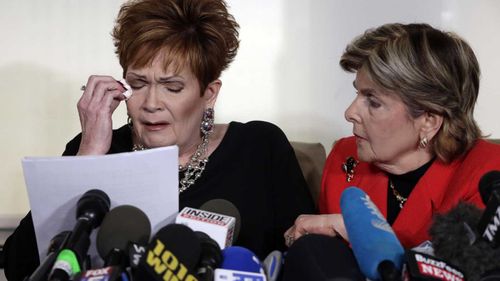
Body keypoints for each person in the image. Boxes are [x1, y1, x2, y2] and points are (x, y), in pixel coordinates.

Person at [3, 0, 315, 279]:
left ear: (209, 93)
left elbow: (303, 255)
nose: (151, 102)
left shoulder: (260, 147)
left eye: (172, 87)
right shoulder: (94, 149)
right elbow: (20, 266)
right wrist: (90, 155)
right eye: (138, 84)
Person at [282, 23, 500, 280]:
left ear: (429, 119)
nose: (350, 112)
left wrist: (358, 231)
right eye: (357, 93)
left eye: (373, 101)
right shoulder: (345, 159)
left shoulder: (489, 177)